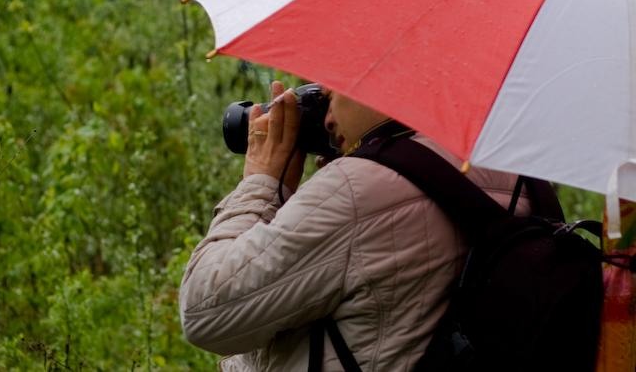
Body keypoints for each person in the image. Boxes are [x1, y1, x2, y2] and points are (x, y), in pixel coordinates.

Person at [180, 81, 527, 371]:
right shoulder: (518, 174)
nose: (327, 118)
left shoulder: (354, 190)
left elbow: (204, 311)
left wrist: (261, 182)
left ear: (376, 79)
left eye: (332, 93)